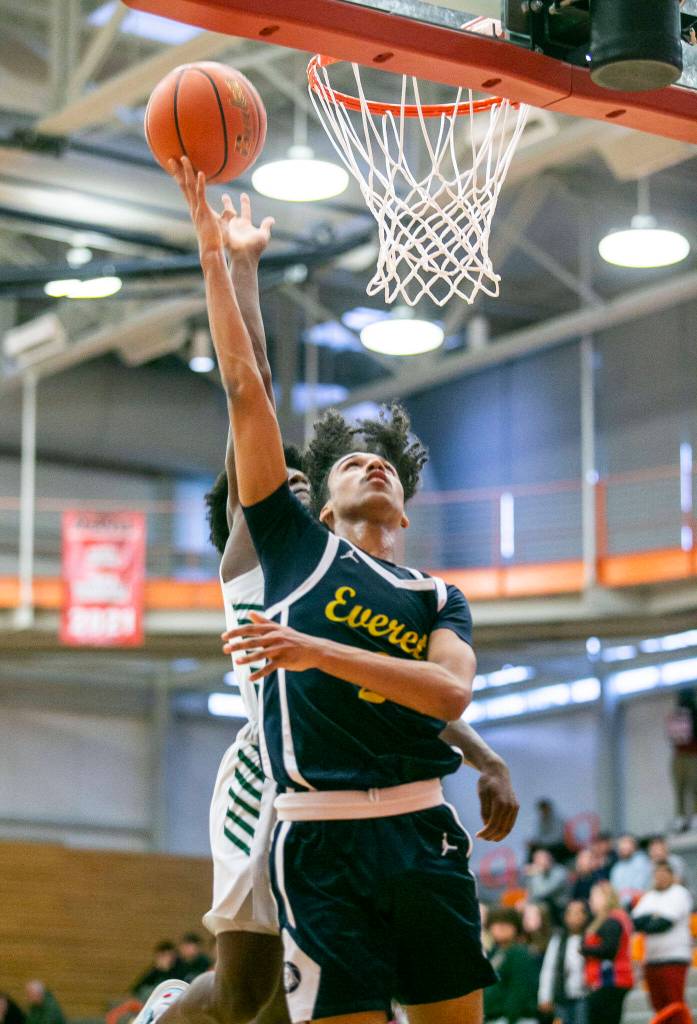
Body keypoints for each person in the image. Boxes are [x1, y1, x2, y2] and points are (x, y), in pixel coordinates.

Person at [161, 159, 519, 1024]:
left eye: (383, 463)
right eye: (344, 465)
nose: (369, 465)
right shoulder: (277, 547)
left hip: (396, 809)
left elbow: (411, 690)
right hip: (278, 773)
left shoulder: (425, 593)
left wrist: (481, 754)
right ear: (313, 505)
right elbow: (248, 388)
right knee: (245, 992)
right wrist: (234, 269)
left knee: (294, 1002)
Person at [632, 861, 693, 1014]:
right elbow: (635, 922)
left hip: (674, 957)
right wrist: (654, 917)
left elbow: (663, 923)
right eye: (657, 874)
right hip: (652, 958)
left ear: (672, 875)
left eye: (664, 873)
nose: (660, 877)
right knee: (657, 1004)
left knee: (674, 1002)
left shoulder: (679, 893)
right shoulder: (649, 896)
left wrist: (651, 919)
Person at [581, 881, 633, 1024]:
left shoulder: (612, 920)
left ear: (606, 897)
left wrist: (584, 949)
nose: (590, 901)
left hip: (610, 980)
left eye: (594, 896)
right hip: (606, 981)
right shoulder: (610, 919)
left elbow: (610, 949)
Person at [484, 908, 540, 1024]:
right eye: (496, 923)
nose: (501, 927)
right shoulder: (494, 953)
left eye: (507, 923)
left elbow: (519, 989)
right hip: (494, 1018)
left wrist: (510, 1018)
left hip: (516, 1019)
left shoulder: (520, 952)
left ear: (516, 927)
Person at [538, 899, 590, 1024]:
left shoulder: (589, 937)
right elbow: (549, 968)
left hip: (584, 996)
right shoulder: (559, 939)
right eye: (570, 913)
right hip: (561, 996)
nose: (574, 918)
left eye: (578, 913)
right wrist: (544, 996)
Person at [667, 688, 697, 832]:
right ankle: (680, 816)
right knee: (679, 788)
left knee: (695, 786)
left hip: (693, 755)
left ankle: (695, 815)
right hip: (679, 755)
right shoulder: (676, 716)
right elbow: (672, 736)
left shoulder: (695, 714)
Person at [524, 848, 568, 925]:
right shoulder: (536, 873)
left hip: (559, 908)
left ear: (550, 859)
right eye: (537, 859)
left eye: (544, 858)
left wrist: (538, 873)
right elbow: (530, 894)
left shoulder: (560, 872)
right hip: (544, 905)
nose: (541, 862)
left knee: (537, 909)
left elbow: (544, 892)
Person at [609, 834, 652, 909]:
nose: (624, 847)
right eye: (622, 844)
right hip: (621, 906)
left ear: (634, 846)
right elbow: (615, 891)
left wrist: (626, 893)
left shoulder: (641, 861)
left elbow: (639, 889)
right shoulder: (616, 868)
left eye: (627, 844)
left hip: (640, 903)